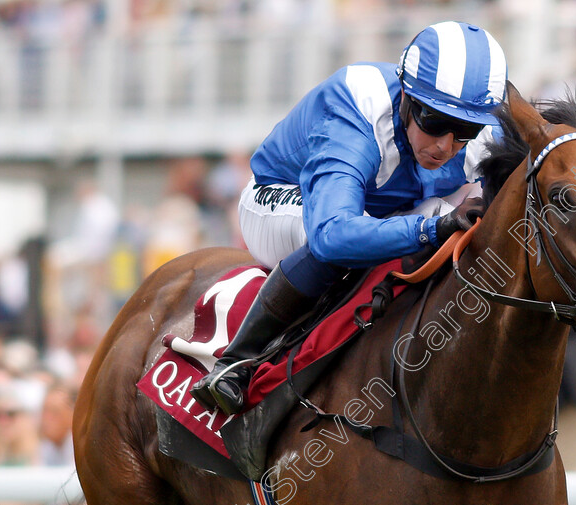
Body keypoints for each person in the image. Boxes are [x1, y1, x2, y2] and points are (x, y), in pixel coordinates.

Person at [192, 21, 507, 415]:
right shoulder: (360, 106)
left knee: (461, 223)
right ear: (407, 95)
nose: (446, 144)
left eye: (464, 130)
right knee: (376, 237)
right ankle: (236, 363)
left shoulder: (482, 129)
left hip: (372, 213)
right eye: (434, 121)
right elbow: (332, 234)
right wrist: (431, 229)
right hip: (283, 202)